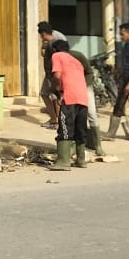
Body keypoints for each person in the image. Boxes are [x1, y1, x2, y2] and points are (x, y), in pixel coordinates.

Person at [68, 45, 113, 163]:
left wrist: (83, 86)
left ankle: (98, 146)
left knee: (91, 113)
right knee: (72, 116)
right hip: (71, 88)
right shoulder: (57, 59)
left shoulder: (77, 56)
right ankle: (74, 146)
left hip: (84, 86)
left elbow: (89, 72)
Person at [47, 40, 88, 170]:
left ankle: (63, 161)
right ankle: (81, 160)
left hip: (69, 97)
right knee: (80, 129)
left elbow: (57, 76)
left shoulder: (57, 56)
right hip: (83, 97)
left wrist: (54, 89)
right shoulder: (76, 61)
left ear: (55, 49)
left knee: (65, 127)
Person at [38, 22, 67, 129]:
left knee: (56, 97)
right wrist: (43, 44)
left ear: (44, 33)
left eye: (41, 35)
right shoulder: (47, 41)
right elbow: (43, 54)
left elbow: (63, 56)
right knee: (45, 93)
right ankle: (54, 119)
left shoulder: (59, 39)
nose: (41, 37)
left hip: (56, 72)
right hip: (49, 72)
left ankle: (58, 122)